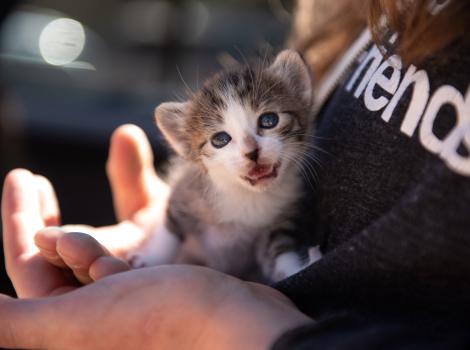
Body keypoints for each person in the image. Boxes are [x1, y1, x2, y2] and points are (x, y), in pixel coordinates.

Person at [1, 1, 469, 349]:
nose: (249, 149)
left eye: (267, 123)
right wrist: (161, 251)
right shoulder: (366, 15)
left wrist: (220, 324)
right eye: (221, 141)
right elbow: (187, 208)